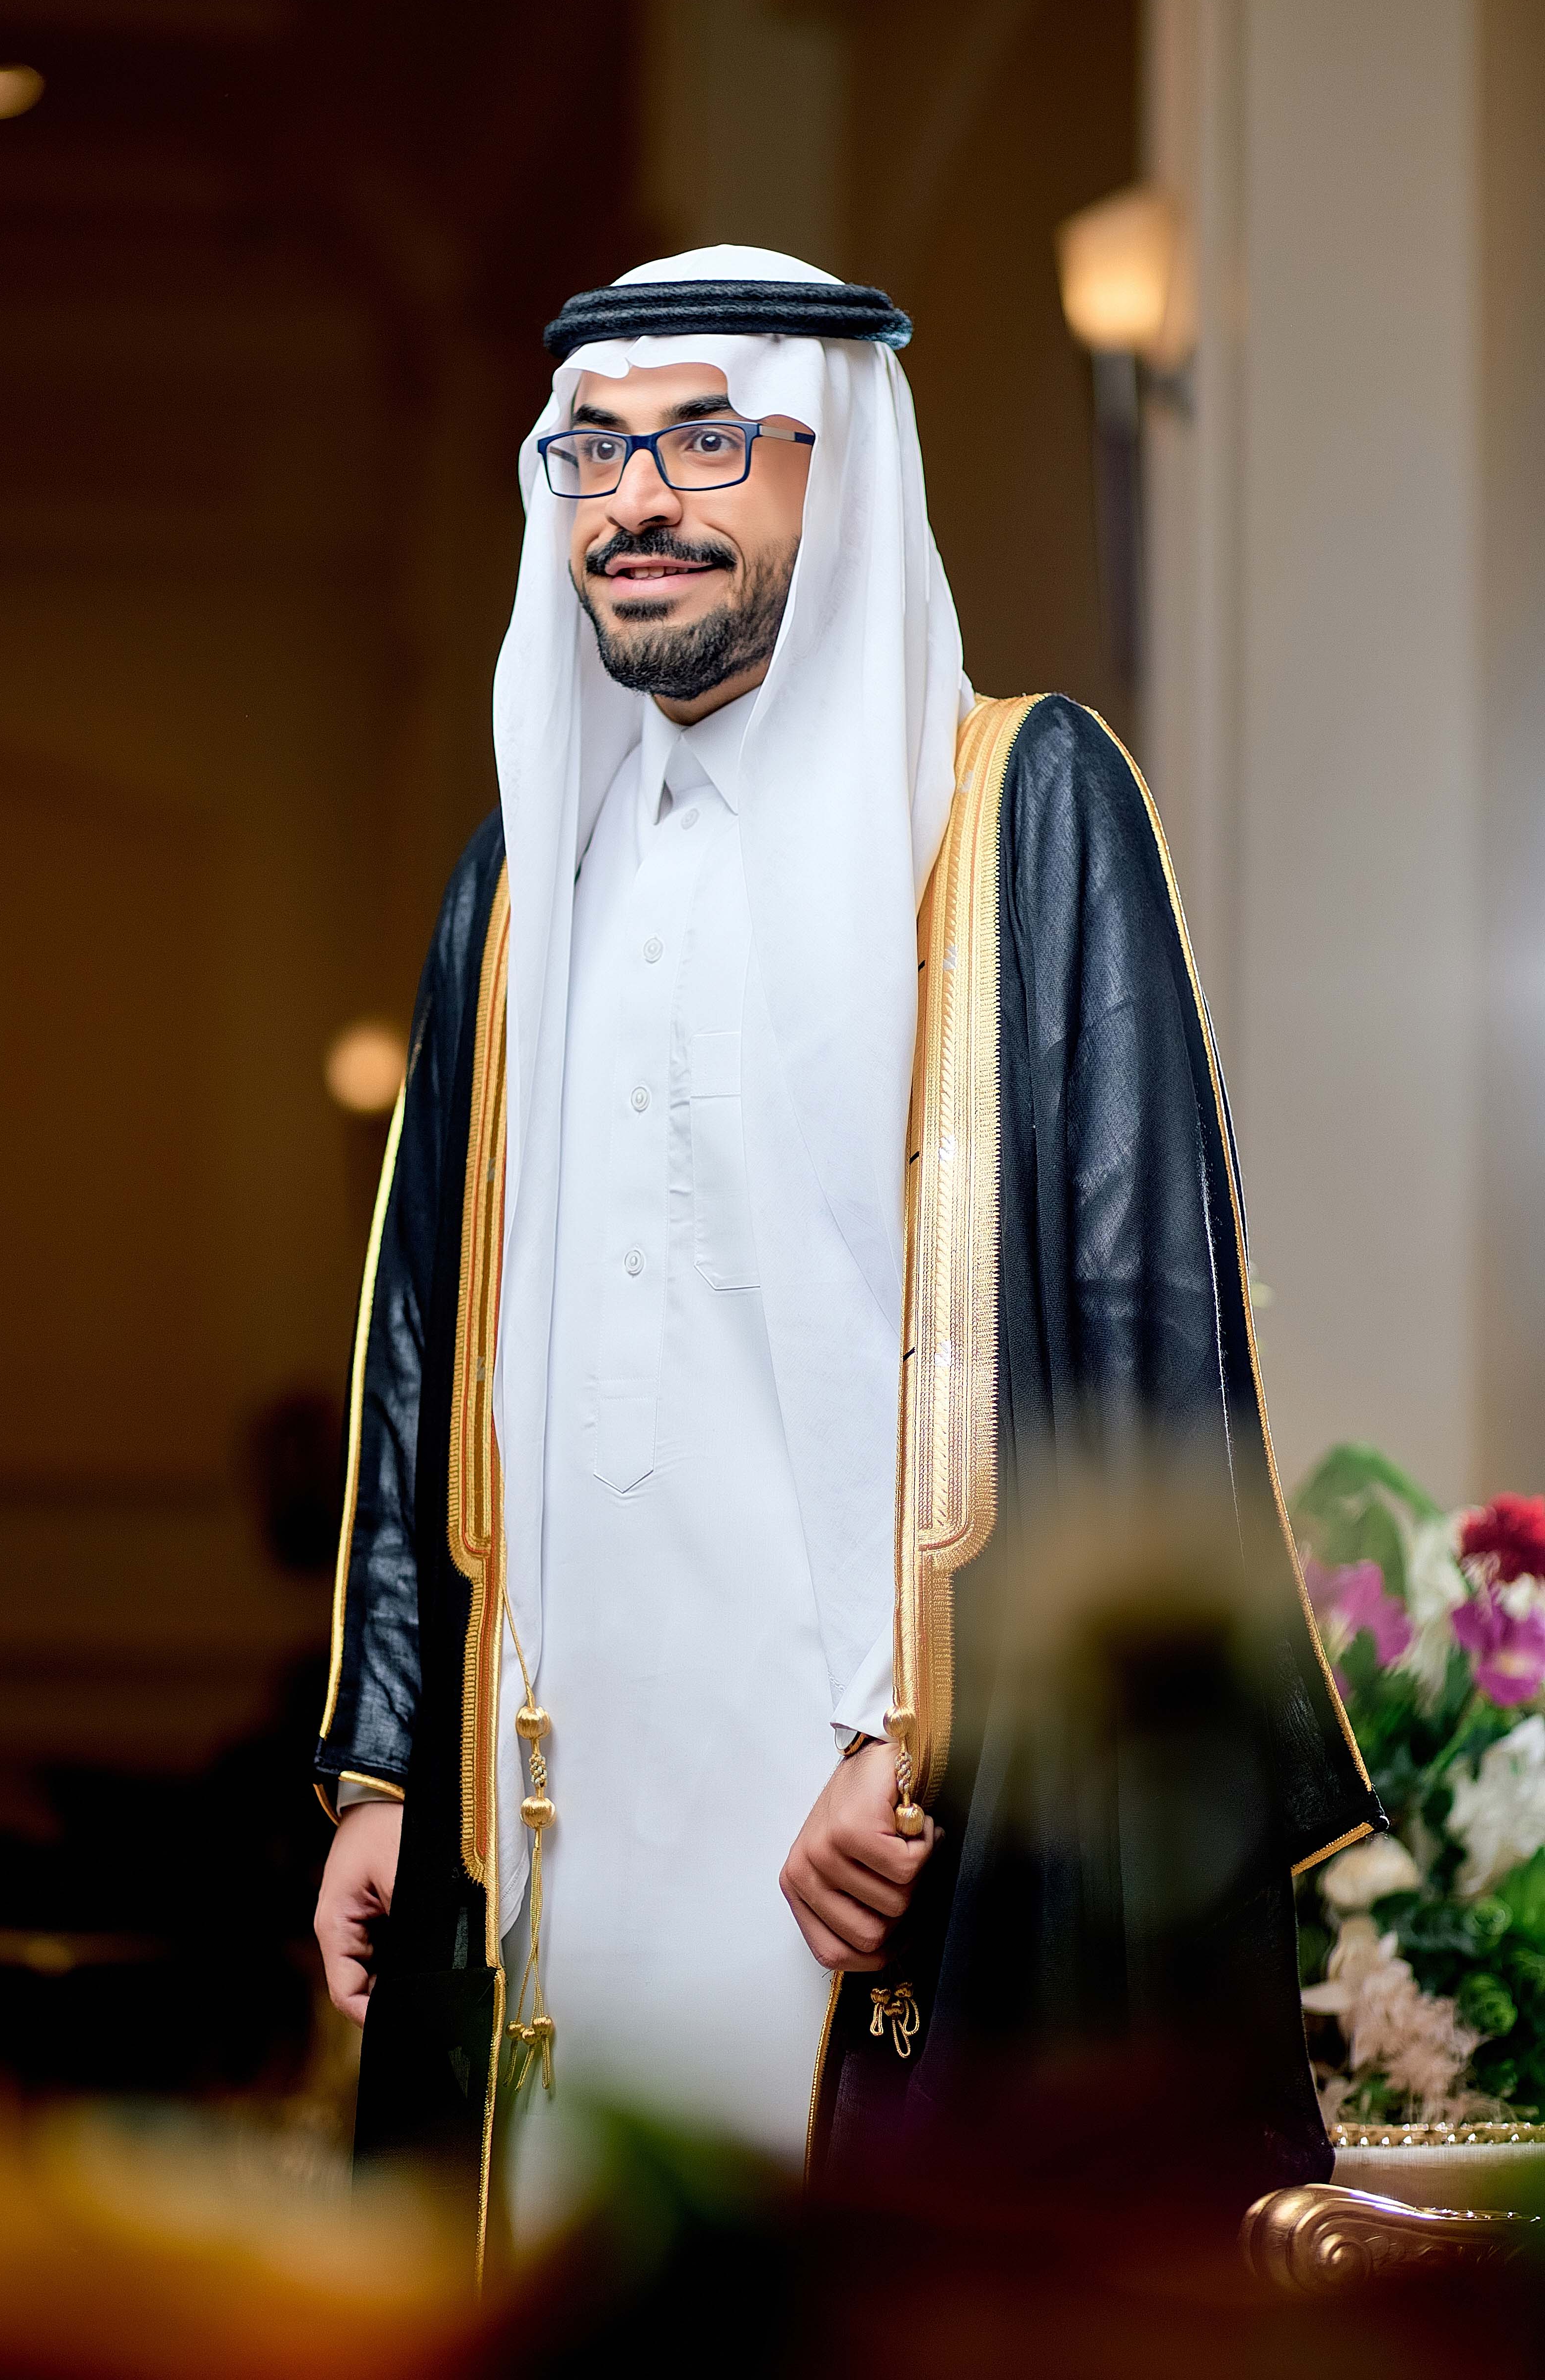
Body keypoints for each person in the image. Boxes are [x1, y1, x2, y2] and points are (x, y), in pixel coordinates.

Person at [311, 245, 1381, 2266]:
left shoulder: (1015, 810)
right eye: (594, 451)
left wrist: (928, 1746)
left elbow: (1138, 1350)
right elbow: (429, 1348)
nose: (640, 501)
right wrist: (384, 1760)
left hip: (875, 1832)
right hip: (558, 1804)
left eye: (711, 439)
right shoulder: (527, 877)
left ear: (843, 460)